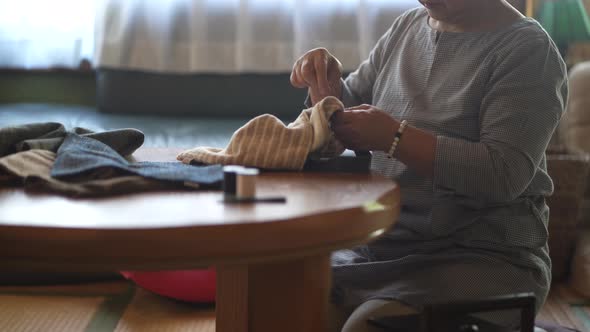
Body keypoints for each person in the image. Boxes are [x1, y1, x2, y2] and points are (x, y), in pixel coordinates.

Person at [290, 0, 568, 331]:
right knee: (284, 294)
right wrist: (329, 90)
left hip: (481, 256)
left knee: (365, 327)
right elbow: (353, 113)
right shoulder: (408, 27)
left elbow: (502, 173)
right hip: (384, 244)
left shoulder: (528, 51)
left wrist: (395, 137)